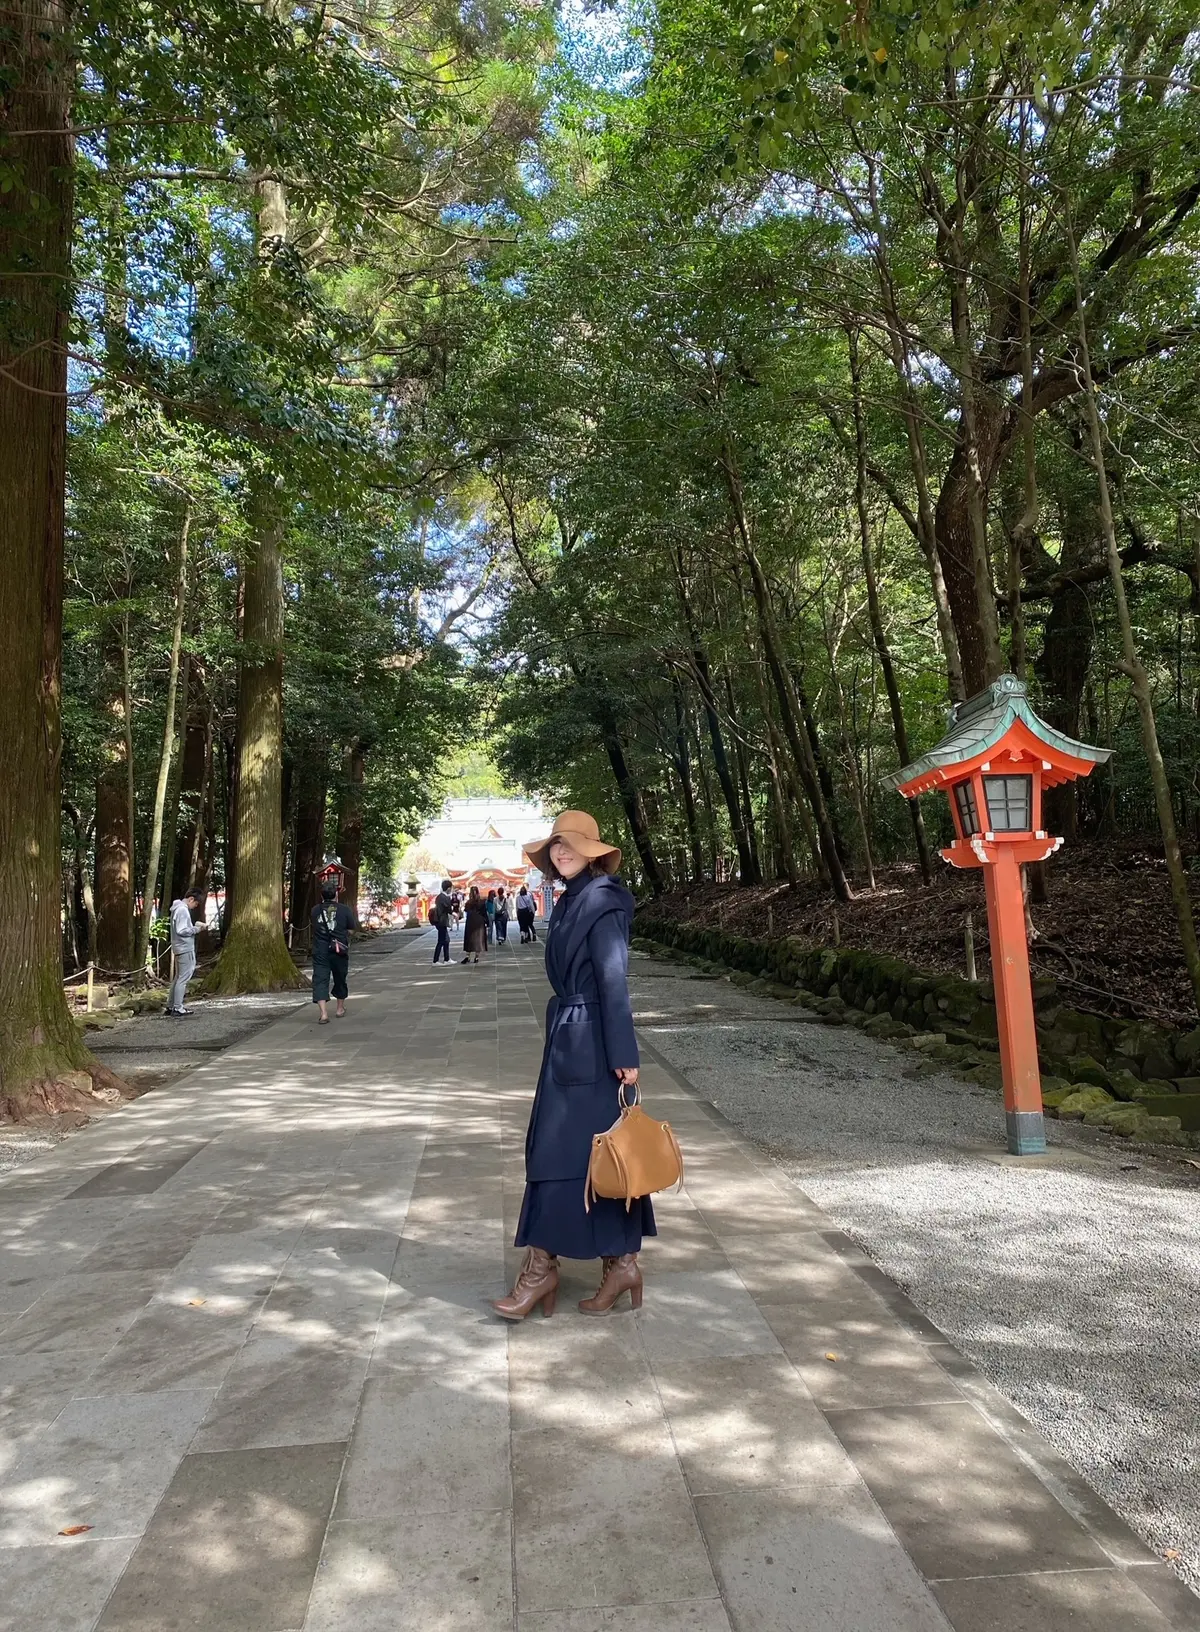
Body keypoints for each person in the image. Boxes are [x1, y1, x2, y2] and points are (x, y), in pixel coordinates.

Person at [491, 810, 653, 1322]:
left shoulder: (602, 903)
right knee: (577, 1152)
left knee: (569, 1154)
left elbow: (613, 979)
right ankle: (618, 1262)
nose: (562, 853)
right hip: (571, 1035)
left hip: (593, 1043)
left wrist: (625, 1055)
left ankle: (542, 1271)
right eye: (556, 846)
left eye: (572, 846)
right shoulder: (572, 900)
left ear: (593, 852)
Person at [311, 881, 353, 1023]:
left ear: (321, 895)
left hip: (320, 950)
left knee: (320, 980)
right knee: (340, 977)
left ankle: (323, 1014)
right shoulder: (345, 910)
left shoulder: (315, 910)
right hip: (339, 950)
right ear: (336, 893)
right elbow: (351, 929)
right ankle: (340, 1008)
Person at [165, 890, 203, 1016]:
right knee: (183, 978)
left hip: (179, 947)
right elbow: (182, 930)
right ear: (191, 899)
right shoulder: (182, 910)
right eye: (196, 903)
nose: (195, 906)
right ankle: (177, 1007)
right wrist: (196, 929)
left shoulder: (177, 908)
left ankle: (171, 1005)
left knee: (178, 978)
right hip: (184, 947)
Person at [461, 885, 487, 965]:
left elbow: (466, 910)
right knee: (478, 939)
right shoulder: (482, 902)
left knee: (469, 938)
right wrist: (487, 922)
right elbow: (484, 912)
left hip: (470, 921)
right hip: (479, 922)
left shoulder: (468, 903)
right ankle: (476, 957)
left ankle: (467, 956)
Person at [431, 879, 453, 965]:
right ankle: (435, 960)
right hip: (441, 921)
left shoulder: (439, 897)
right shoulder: (445, 898)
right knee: (441, 941)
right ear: (448, 888)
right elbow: (449, 909)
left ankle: (446, 959)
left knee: (446, 940)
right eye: (451, 888)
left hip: (440, 921)